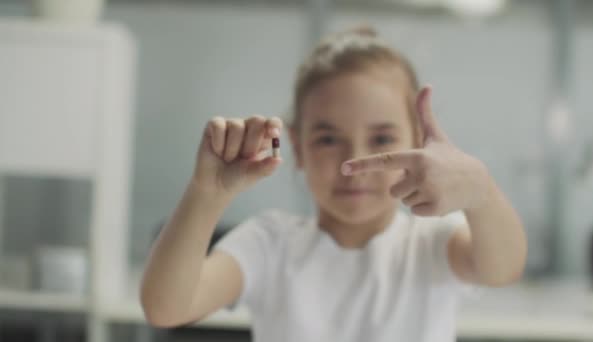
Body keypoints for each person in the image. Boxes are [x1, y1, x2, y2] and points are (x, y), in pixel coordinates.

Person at [140, 27, 527, 342]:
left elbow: (503, 268)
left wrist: (481, 190)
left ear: (416, 142)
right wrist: (207, 194)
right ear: (298, 147)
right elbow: (167, 307)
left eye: (381, 139)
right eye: (327, 139)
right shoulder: (269, 244)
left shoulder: (432, 242)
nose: (352, 164)